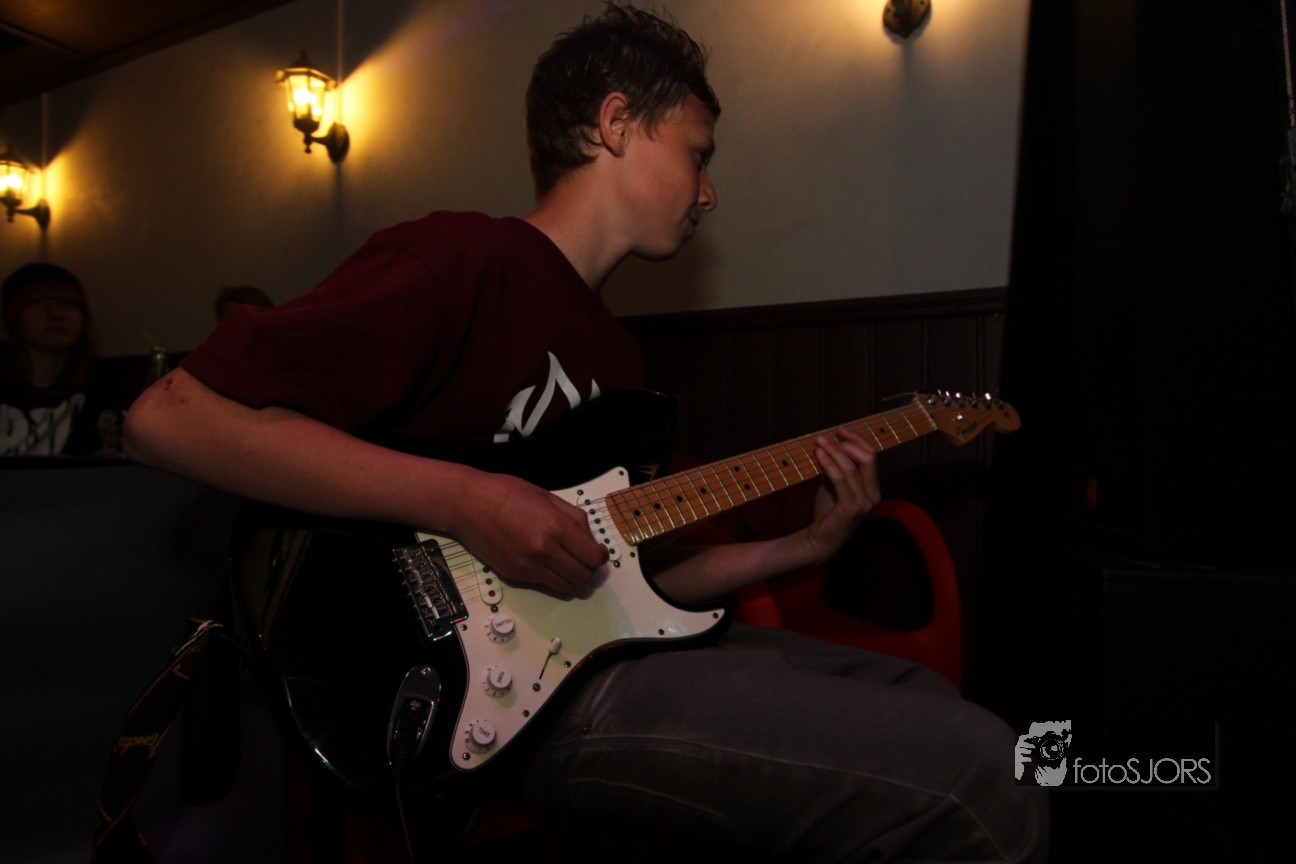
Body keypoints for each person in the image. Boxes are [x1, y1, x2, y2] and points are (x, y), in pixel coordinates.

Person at [124, 4, 1047, 860]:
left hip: (599, 653)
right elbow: (168, 417)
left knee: (924, 697)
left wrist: (802, 545)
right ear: (616, 124)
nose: (709, 192)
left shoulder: (618, 360)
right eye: (698, 154)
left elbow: (631, 580)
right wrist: (467, 500)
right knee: (978, 776)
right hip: (467, 688)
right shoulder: (465, 258)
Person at [1, 263, 125, 456]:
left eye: (67, 305)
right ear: (16, 317)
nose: (56, 314)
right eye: (39, 304)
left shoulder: (107, 386)